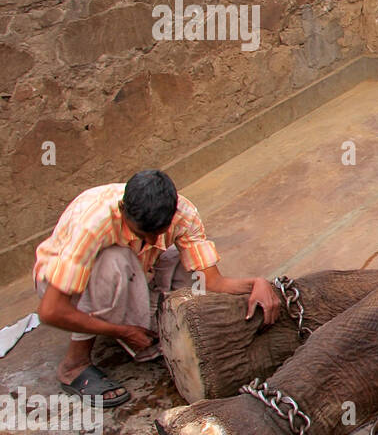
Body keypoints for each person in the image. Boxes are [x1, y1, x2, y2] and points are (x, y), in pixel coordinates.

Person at [33, 170, 281, 407]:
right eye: (143, 233)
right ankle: (74, 364)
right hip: (65, 286)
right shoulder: (92, 223)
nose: (153, 241)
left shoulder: (183, 213)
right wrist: (122, 331)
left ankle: (145, 327)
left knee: (178, 259)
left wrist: (256, 284)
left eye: (159, 233)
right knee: (115, 262)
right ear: (122, 210)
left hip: (139, 271)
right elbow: (51, 311)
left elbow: (212, 281)